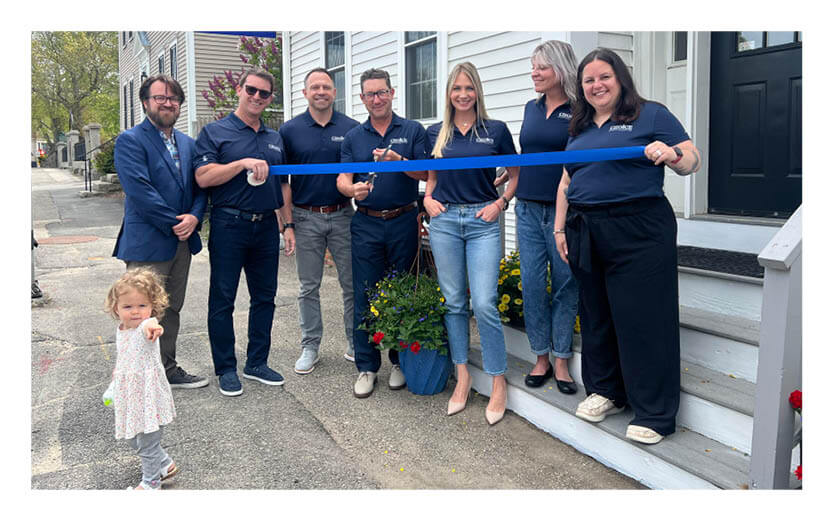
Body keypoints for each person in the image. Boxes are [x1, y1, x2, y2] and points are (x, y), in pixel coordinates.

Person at [554, 48, 701, 444]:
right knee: (596, 314)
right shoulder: (579, 127)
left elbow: (692, 159)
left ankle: (654, 412)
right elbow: (567, 181)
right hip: (585, 227)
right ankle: (606, 391)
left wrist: (671, 154)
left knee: (644, 318)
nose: (597, 85)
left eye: (604, 77)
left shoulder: (651, 115)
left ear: (620, 78)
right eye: (589, 80)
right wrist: (559, 229)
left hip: (639, 228)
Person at [423, 62, 519, 425]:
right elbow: (432, 178)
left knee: (484, 303)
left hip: (483, 221)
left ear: (477, 91)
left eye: (468, 88)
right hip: (445, 221)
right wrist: (426, 199)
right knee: (454, 303)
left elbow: (516, 174)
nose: (462, 95)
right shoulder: (436, 132)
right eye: (456, 89)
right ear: (448, 93)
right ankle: (462, 376)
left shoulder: (495, 130)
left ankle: (497, 380)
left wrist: (501, 203)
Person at [194, 68, 296, 397]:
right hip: (229, 224)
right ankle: (226, 368)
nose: (256, 97)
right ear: (239, 90)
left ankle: (257, 363)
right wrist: (240, 164)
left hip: (266, 226)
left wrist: (288, 224)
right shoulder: (215, 132)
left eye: (264, 93)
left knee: (265, 298)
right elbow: (203, 177)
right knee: (223, 299)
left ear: (270, 98)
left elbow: (282, 184)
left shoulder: (274, 138)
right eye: (251, 89)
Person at [337, 68, 428, 399]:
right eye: (370, 94)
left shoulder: (413, 130)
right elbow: (342, 178)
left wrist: (397, 160)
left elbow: (426, 173)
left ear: (392, 93)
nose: (376, 99)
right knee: (365, 293)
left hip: (404, 219)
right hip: (367, 222)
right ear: (362, 99)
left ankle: (400, 361)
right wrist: (352, 190)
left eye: (382, 92)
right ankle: (367, 366)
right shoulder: (353, 136)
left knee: (403, 291)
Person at [113, 74, 208, 389]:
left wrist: (194, 217)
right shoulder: (130, 140)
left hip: (181, 242)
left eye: (173, 98)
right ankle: (137, 379)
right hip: (147, 242)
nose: (167, 103)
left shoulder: (189, 144)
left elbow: (200, 188)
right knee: (139, 312)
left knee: (170, 309)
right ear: (145, 102)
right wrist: (176, 222)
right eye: (160, 97)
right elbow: (140, 191)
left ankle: (167, 370)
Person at [279, 68, 359, 374]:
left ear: (335, 92)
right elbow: (283, 182)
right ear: (305, 93)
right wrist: (287, 224)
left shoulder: (351, 129)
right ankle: (310, 346)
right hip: (305, 216)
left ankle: (355, 342)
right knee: (308, 287)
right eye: (315, 87)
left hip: (343, 214)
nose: (321, 92)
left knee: (352, 284)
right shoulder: (290, 131)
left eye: (326, 87)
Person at [515, 41, 580, 394]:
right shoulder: (531, 107)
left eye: (542, 67)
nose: (534, 73)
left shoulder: (580, 109)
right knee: (532, 283)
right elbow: (528, 152)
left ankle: (562, 360)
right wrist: (507, 176)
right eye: (533, 66)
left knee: (566, 282)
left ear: (560, 68)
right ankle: (541, 357)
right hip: (527, 207)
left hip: (563, 212)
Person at [104, 268, 178, 490]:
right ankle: (164, 464)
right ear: (116, 308)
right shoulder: (122, 329)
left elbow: (151, 326)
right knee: (132, 437)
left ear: (152, 307)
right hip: (130, 394)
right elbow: (125, 358)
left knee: (147, 442)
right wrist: (116, 380)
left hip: (147, 397)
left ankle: (151, 483)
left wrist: (155, 328)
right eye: (128, 307)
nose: (135, 312)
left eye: (142, 306)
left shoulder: (147, 325)